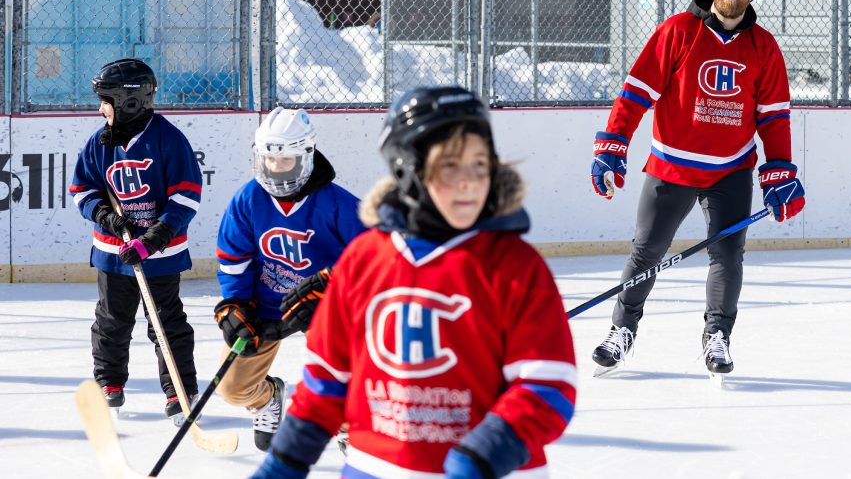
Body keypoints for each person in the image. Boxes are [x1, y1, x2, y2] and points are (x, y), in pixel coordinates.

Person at [248, 86, 577, 479]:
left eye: (479, 163)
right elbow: (326, 378)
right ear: (407, 169)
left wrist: (484, 456)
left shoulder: (516, 266)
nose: (469, 180)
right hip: (374, 466)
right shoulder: (364, 258)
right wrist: (284, 462)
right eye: (449, 167)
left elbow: (548, 386)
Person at [589, 0, 806, 377]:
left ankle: (717, 336)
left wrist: (779, 172)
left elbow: (775, 117)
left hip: (731, 170)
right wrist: (614, 143)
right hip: (672, 167)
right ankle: (622, 330)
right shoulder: (678, 31)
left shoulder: (763, 46)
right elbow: (635, 93)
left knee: (728, 256)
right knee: (646, 251)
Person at [213, 107, 366, 451]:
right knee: (231, 388)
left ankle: (348, 424)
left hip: (322, 308)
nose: (275, 169)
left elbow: (373, 257)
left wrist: (331, 289)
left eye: (285, 161)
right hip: (265, 307)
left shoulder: (338, 205)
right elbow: (234, 260)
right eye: (268, 160)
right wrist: (236, 303)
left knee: (347, 374)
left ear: (306, 156)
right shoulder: (247, 200)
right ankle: (267, 399)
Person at [69, 58, 204, 423]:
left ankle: (180, 389)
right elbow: (82, 189)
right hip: (113, 253)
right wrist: (103, 215)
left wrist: (155, 236)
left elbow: (187, 196)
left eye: (106, 101)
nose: (100, 109)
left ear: (128, 101)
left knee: (165, 322)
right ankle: (109, 382)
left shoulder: (169, 140)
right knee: (112, 320)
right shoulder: (100, 142)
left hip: (160, 254)